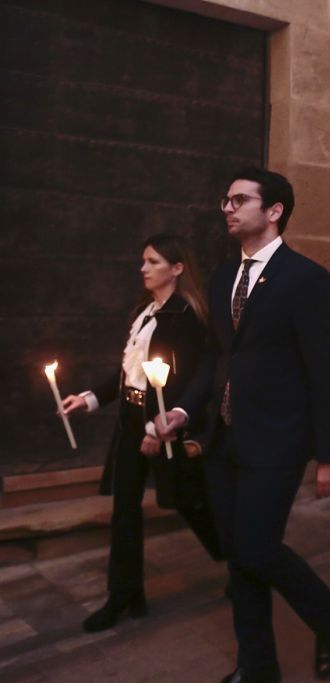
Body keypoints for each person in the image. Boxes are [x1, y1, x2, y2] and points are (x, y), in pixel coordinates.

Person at [157, 168, 330, 683]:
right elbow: (214, 359)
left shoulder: (306, 278)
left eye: (240, 199)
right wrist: (181, 411)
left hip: (277, 440)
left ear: (274, 211)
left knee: (257, 547)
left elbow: (327, 370)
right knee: (237, 555)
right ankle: (258, 666)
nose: (227, 207)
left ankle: (329, 613)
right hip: (224, 440)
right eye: (226, 199)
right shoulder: (223, 278)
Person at [62, 234, 222, 633]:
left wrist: (156, 426)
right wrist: (89, 399)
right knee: (125, 510)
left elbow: (185, 378)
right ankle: (125, 595)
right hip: (131, 422)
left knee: (191, 501)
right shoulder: (145, 312)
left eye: (152, 262)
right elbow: (129, 374)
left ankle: (242, 562)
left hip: (163, 425)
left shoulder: (186, 317)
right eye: (144, 261)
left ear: (177, 268)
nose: (143, 269)